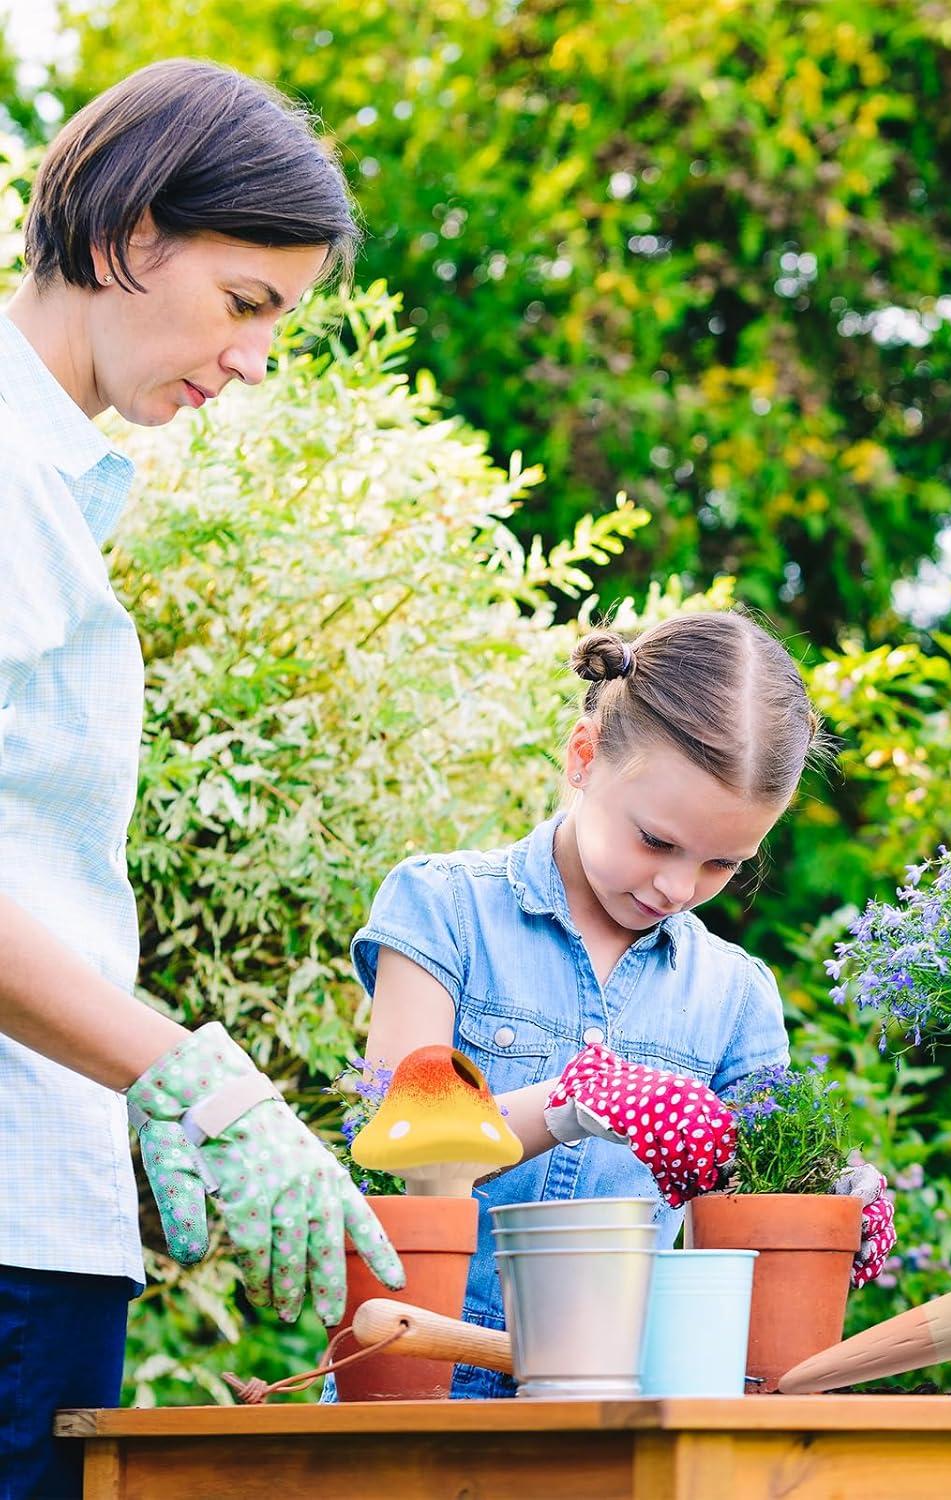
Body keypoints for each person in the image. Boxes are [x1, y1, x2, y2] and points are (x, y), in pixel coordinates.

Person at [0, 61, 403, 1498]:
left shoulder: (52, 490)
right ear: (124, 238)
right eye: (247, 306)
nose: (249, 363)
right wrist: (185, 1077)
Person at [351, 613, 890, 1399]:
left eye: (720, 863)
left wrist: (827, 1202)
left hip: (622, 1406)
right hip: (423, 1377)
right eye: (655, 841)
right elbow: (398, 1150)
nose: (677, 887)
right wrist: (574, 1102)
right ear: (583, 755)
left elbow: (746, 1221)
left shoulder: (735, 995)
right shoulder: (441, 909)